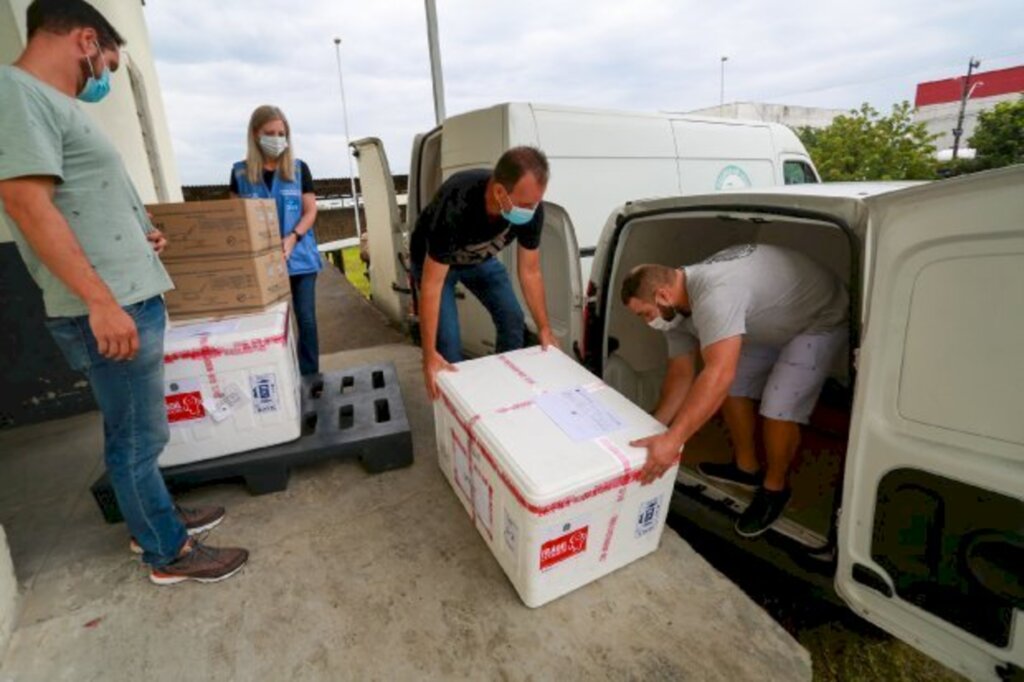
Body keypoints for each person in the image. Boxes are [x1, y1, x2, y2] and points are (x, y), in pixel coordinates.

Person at [0, 0, 248, 584]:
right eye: (106, 63)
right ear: (86, 39)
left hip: (120, 291)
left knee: (133, 429)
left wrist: (140, 235)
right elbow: (27, 205)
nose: (103, 78)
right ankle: (169, 553)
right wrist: (102, 301)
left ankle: (153, 520)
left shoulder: (48, 102)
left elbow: (80, 199)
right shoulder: (19, 94)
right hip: (109, 304)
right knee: (138, 437)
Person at [622, 244, 848, 537]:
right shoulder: (674, 310)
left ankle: (775, 488)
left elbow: (718, 374)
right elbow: (681, 375)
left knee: (777, 406)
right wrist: (654, 430)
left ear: (662, 296)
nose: (647, 321)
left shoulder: (715, 294)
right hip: (768, 319)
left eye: (644, 313)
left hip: (819, 317)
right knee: (734, 389)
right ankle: (746, 469)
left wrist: (673, 440)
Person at [412, 146, 558, 399]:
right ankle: (458, 410)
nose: (532, 210)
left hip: (479, 261)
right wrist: (428, 356)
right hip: (435, 267)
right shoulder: (457, 202)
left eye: (536, 203)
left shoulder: (532, 207)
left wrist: (545, 328)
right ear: (500, 191)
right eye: (525, 204)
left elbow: (530, 271)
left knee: (513, 320)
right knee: (446, 348)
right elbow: (432, 285)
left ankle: (503, 391)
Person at [230, 105, 321, 375]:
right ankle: (280, 374)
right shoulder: (240, 173)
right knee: (271, 324)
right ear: (255, 134)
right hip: (263, 265)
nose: (277, 138)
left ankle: (309, 375)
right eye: (270, 132)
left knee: (306, 319)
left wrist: (293, 237)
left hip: (300, 257)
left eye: (282, 133)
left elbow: (311, 210)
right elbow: (235, 217)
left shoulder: (297, 169)